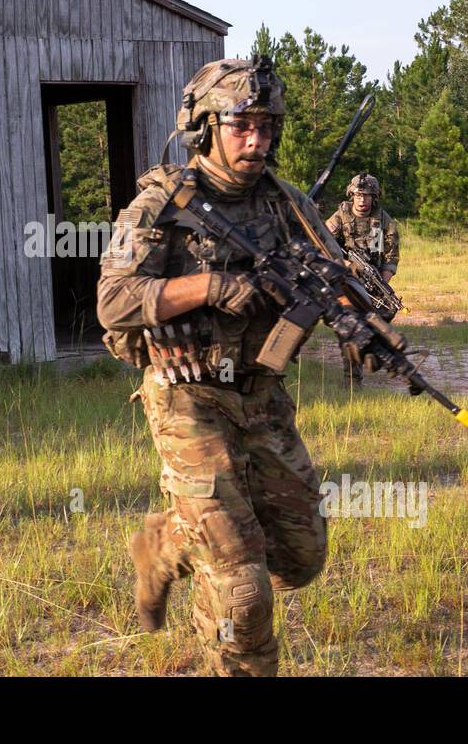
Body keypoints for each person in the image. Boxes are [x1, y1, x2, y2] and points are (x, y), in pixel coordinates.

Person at [97, 56, 330, 676]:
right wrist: (207, 286)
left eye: (267, 126)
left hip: (261, 393)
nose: (257, 140)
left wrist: (354, 315)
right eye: (241, 125)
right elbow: (113, 301)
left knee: (300, 557)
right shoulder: (162, 204)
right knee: (242, 586)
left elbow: (332, 277)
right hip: (188, 398)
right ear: (204, 128)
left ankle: (163, 543)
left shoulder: (287, 205)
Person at [325, 173, 399, 384]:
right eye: (358, 195)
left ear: (374, 197)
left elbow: (391, 257)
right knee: (349, 327)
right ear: (352, 195)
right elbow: (322, 243)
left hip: (372, 281)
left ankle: (372, 355)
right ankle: (352, 378)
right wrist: (346, 265)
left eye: (367, 196)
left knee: (383, 316)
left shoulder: (384, 221)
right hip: (345, 280)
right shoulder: (341, 216)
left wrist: (380, 283)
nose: (362, 200)